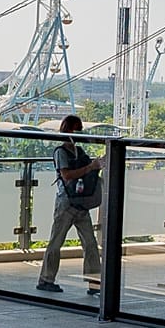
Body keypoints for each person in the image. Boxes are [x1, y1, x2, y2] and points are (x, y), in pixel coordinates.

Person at [37, 114, 103, 294]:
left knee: (89, 243)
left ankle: (94, 281)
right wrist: (91, 167)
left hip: (78, 202)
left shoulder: (77, 151)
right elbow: (66, 175)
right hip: (68, 202)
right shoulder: (61, 152)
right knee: (58, 242)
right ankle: (46, 279)